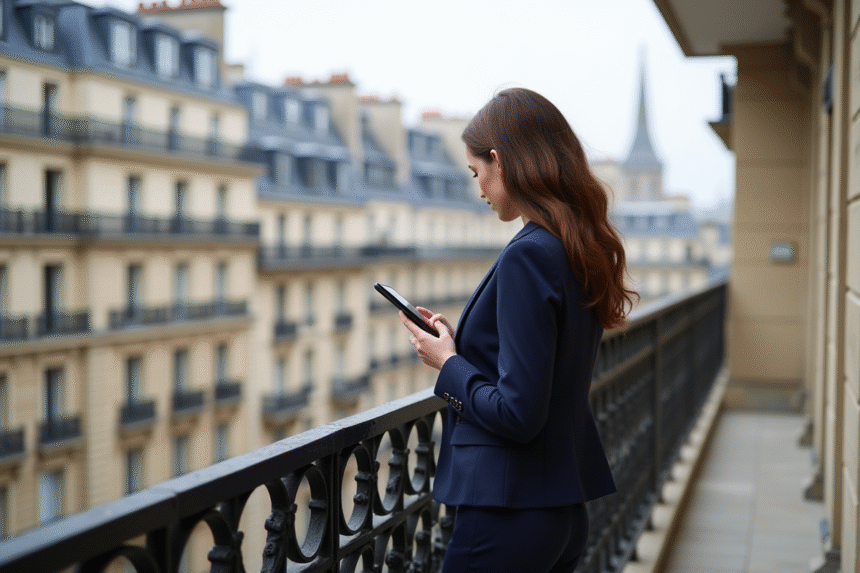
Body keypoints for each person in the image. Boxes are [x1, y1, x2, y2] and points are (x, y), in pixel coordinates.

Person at [399, 87, 637, 573]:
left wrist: (447, 363)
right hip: (560, 508)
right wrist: (464, 347)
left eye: (476, 172)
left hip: (507, 514)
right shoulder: (571, 246)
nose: (479, 188)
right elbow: (544, 368)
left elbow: (519, 412)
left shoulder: (528, 254)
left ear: (499, 160)